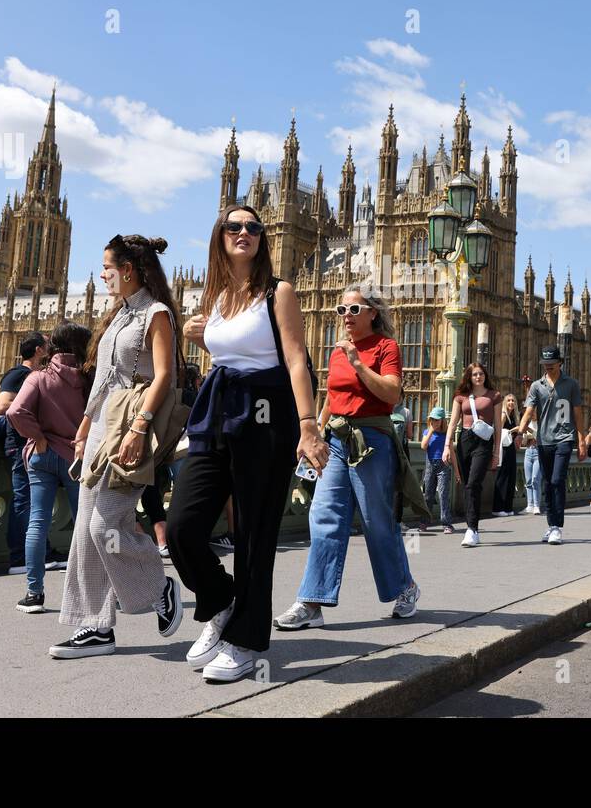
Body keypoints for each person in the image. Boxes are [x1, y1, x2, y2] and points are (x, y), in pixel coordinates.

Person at [165, 205, 326, 682]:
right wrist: (202, 339)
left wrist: (308, 424)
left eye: (253, 227)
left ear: (263, 238)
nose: (243, 233)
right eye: (233, 227)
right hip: (219, 412)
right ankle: (221, 601)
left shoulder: (280, 292)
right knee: (182, 527)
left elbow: (296, 359)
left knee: (254, 536)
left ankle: (246, 643)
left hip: (267, 417)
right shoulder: (217, 298)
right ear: (219, 237)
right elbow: (233, 353)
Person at [49, 234, 185, 660]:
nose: (103, 274)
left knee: (103, 525)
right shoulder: (118, 317)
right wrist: (85, 426)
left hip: (132, 428)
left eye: (107, 267)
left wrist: (140, 427)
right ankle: (96, 626)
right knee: (85, 530)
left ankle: (160, 586)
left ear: (128, 270)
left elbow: (164, 376)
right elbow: (105, 379)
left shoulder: (155, 313)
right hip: (103, 428)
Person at [275, 286, 422, 629]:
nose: (346, 317)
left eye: (354, 310)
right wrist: (312, 433)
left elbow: (392, 393)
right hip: (337, 441)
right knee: (324, 516)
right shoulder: (337, 352)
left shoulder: (386, 348)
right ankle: (312, 602)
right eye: (342, 310)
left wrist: (358, 363)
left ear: (373, 313)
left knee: (376, 521)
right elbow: (330, 396)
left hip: (372, 440)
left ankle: (405, 587)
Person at [6, 321, 91, 613]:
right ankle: (91, 592)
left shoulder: (38, 377)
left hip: (42, 456)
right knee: (86, 525)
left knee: (37, 523)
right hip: (76, 458)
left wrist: (38, 436)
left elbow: (15, 411)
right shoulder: (89, 379)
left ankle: (34, 594)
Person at [513, 345, 586, 545]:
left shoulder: (571, 384)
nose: (548, 368)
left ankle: (557, 526)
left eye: (551, 365)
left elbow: (578, 413)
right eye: (545, 365)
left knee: (557, 480)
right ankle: (551, 524)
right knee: (547, 483)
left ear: (560, 363)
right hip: (543, 440)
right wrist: (520, 432)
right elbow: (528, 412)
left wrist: (581, 439)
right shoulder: (537, 386)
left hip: (564, 438)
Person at [0, 332, 49, 574]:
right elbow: (3, 406)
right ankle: (19, 557)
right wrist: (33, 399)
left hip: (32, 443)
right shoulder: (18, 374)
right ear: (38, 349)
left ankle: (40, 553)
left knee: (35, 503)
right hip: (18, 444)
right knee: (23, 501)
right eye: (47, 345)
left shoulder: (37, 375)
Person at [446, 363, 502, 547]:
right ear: (469, 377)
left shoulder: (494, 396)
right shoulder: (460, 396)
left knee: (473, 483)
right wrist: (448, 446)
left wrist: (496, 452)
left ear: (485, 375)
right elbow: (453, 423)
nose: (478, 377)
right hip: (465, 438)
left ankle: (472, 529)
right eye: (474, 374)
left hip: (484, 441)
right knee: (467, 485)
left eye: (481, 374)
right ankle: (473, 527)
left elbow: (498, 427)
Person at [421, 408, 453, 533]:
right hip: (430, 465)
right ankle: (424, 522)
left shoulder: (446, 434)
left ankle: (446, 524)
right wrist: (431, 431)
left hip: (443, 466)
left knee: (443, 495)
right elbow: (423, 446)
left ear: (442, 420)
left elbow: (452, 453)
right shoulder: (427, 432)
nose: (434, 421)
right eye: (432, 419)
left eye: (437, 420)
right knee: (428, 495)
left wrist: (457, 471)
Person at [493, 394, 521, 516]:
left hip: (511, 449)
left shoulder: (515, 416)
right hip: (503, 449)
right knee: (502, 477)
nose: (511, 403)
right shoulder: (504, 415)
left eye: (513, 401)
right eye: (509, 400)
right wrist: (514, 429)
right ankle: (498, 508)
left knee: (511, 477)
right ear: (505, 403)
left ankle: (508, 507)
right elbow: (498, 431)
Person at [519, 412, 542, 514]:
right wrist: (525, 437)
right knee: (528, 481)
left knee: (535, 479)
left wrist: (532, 433)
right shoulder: (527, 424)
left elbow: (541, 439)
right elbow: (523, 443)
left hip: (538, 453)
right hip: (528, 452)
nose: (532, 414)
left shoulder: (542, 423)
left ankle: (537, 506)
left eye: (534, 412)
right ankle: (530, 505)